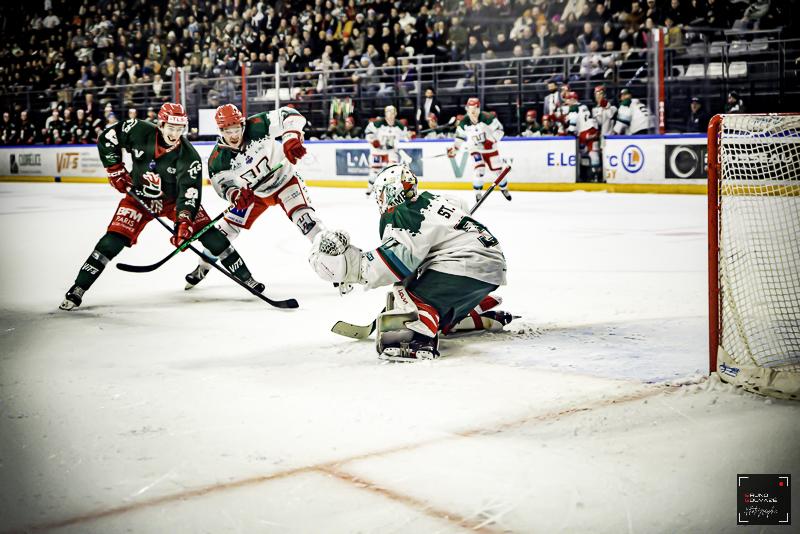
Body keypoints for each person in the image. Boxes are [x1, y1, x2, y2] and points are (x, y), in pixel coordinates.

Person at [59, 103, 264, 310]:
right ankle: (78, 288)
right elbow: (108, 138)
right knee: (111, 242)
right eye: (171, 128)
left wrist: (184, 223)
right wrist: (114, 168)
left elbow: (189, 194)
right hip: (139, 198)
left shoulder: (189, 157)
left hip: (174, 202)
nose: (175, 134)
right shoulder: (137, 130)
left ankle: (247, 279)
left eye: (180, 129)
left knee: (213, 238)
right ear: (161, 124)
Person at [308, 164, 512, 361]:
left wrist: (350, 268)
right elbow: (460, 207)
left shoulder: (405, 213)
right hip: (489, 264)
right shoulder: (433, 199)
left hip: (465, 264)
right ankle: (465, 314)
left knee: (411, 300)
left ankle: (418, 341)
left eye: (381, 194)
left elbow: (394, 263)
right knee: (418, 288)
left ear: (390, 192)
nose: (380, 200)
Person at [184, 103, 325, 289]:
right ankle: (203, 266)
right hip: (254, 194)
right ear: (220, 131)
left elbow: (290, 114)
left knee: (307, 221)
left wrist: (291, 137)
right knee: (224, 232)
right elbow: (223, 186)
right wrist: (235, 195)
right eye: (227, 131)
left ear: (243, 124)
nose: (233, 135)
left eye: (236, 129)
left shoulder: (258, 125)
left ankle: (333, 263)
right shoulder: (218, 160)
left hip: (285, 180)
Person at [447, 98, 512, 202]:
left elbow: (500, 130)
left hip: (490, 149)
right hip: (475, 149)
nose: (472, 111)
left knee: (498, 171)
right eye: (470, 109)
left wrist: (491, 141)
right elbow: (459, 137)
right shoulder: (464, 122)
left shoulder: (488, 117)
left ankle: (504, 188)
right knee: (479, 170)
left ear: (479, 108)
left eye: (475, 109)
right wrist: (454, 149)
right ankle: (477, 193)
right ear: (467, 109)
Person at [364, 105, 410, 197]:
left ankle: (391, 192)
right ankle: (370, 188)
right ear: (385, 113)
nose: (390, 114)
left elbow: (405, 136)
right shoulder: (377, 124)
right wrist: (373, 141)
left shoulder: (400, 126)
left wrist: (410, 135)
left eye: (392, 112)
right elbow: (368, 132)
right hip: (377, 151)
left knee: (393, 171)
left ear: (395, 113)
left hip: (391, 151)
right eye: (388, 112)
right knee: (375, 171)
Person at [563, 91, 602, 183]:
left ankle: (584, 175)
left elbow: (573, 121)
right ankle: (596, 176)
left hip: (584, 133)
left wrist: (570, 132)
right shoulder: (584, 106)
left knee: (579, 154)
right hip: (593, 130)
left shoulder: (574, 107)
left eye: (568, 99)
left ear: (573, 99)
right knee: (593, 154)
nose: (566, 101)